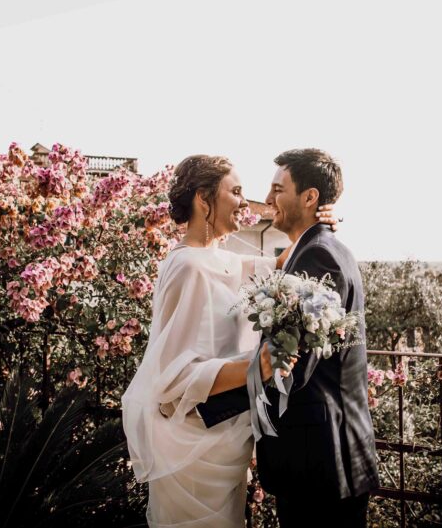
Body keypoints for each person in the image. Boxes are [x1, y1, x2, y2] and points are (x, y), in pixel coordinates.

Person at [121, 154, 334, 528]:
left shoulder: (223, 260)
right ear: (204, 200)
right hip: (192, 457)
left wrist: (322, 223)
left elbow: (286, 260)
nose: (245, 201)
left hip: (226, 442)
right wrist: (257, 367)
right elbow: (172, 379)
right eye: (235, 192)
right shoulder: (186, 267)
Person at [252, 148, 380, 528]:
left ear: (309, 198)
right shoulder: (319, 248)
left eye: (278, 188)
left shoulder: (317, 256)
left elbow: (288, 366)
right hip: (326, 458)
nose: (269, 198)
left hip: (320, 461)